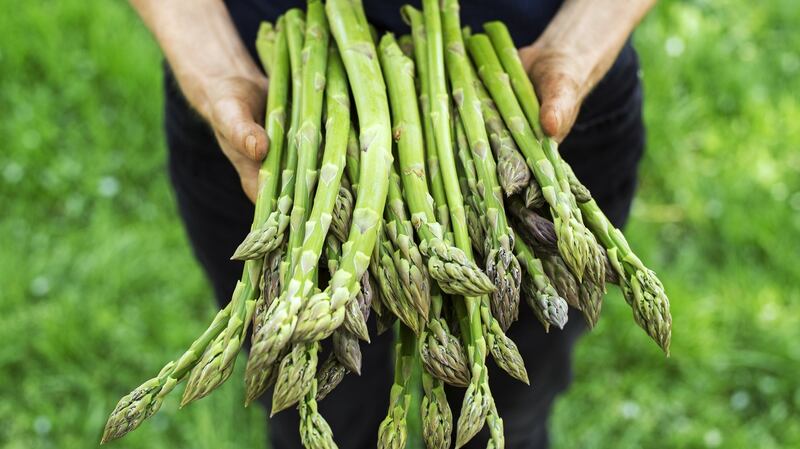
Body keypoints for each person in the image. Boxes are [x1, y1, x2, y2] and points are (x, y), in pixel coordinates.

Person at [127, 0, 656, 448]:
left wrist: (581, 41)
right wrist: (209, 58)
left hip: (525, 110)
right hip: (273, 115)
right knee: (324, 420)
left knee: (510, 418)